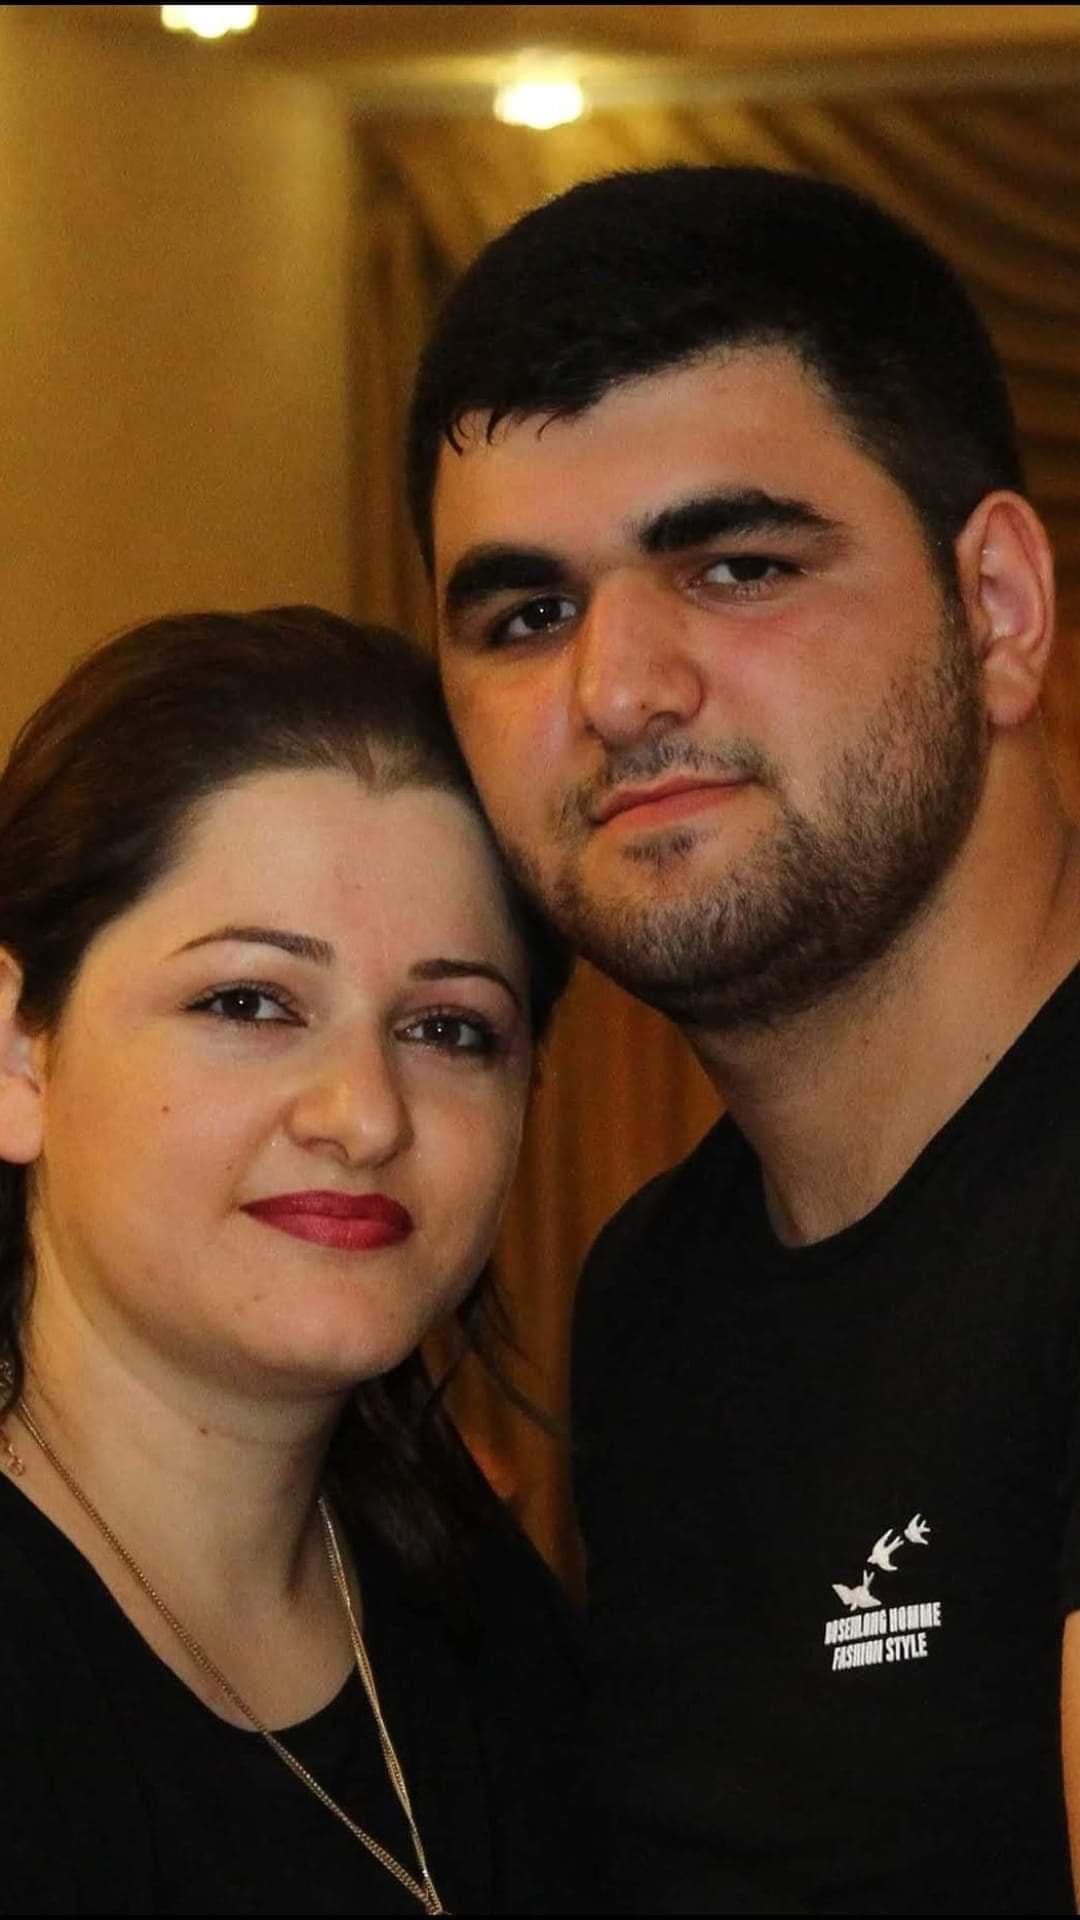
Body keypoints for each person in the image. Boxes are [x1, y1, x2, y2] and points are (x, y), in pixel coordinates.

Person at [406, 165, 1080, 1913]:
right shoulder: (653, 1297)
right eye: (527, 614)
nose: (622, 689)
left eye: (737, 565)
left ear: (998, 611)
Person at [0, 604, 585, 1916]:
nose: (365, 1115)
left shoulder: (491, 1619)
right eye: (250, 1002)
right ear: (19, 1057)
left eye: (449, 1028)